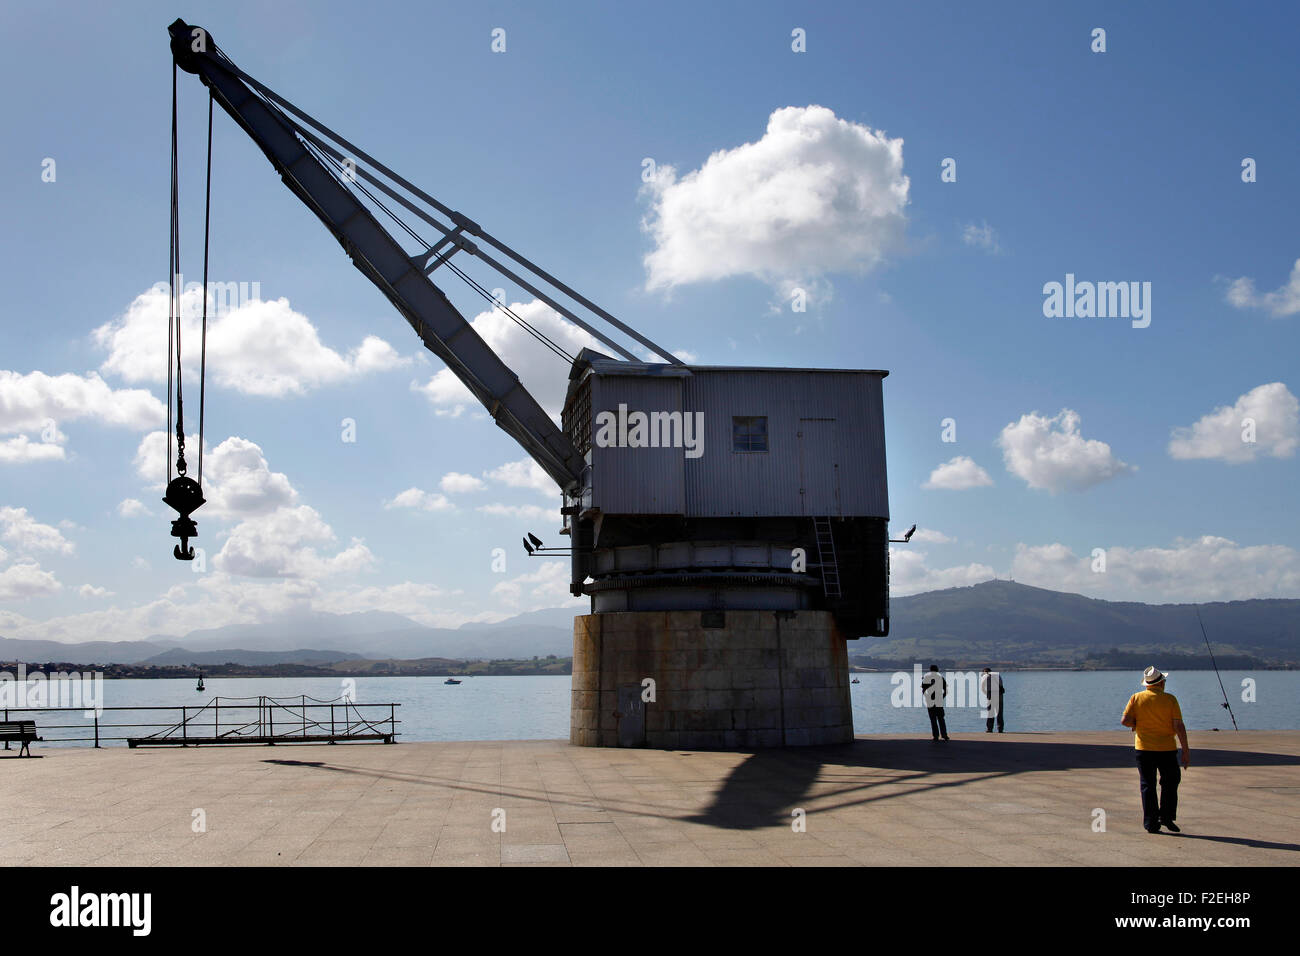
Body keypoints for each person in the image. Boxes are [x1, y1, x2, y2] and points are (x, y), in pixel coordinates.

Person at [1121, 666, 1191, 834]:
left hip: (1144, 749)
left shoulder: (1136, 698)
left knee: (1148, 785)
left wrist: (1137, 724)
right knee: (1170, 782)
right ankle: (1166, 817)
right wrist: (1186, 751)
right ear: (1161, 683)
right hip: (1166, 749)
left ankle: (1151, 823)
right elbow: (1179, 726)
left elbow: (1125, 721)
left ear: (1148, 684)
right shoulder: (1170, 700)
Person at [921, 664, 949, 741]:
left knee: (933, 719)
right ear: (937, 670)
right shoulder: (941, 678)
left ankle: (935, 736)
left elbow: (923, 690)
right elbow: (946, 690)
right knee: (941, 718)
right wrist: (942, 697)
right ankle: (944, 735)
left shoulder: (926, 678)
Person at [980, 667, 1005, 732]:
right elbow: (1001, 685)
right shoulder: (997, 675)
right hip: (999, 696)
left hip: (991, 696)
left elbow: (982, 688)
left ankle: (989, 729)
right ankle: (1000, 729)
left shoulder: (985, 676)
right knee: (1000, 713)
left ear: (984, 672)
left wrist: (987, 694)